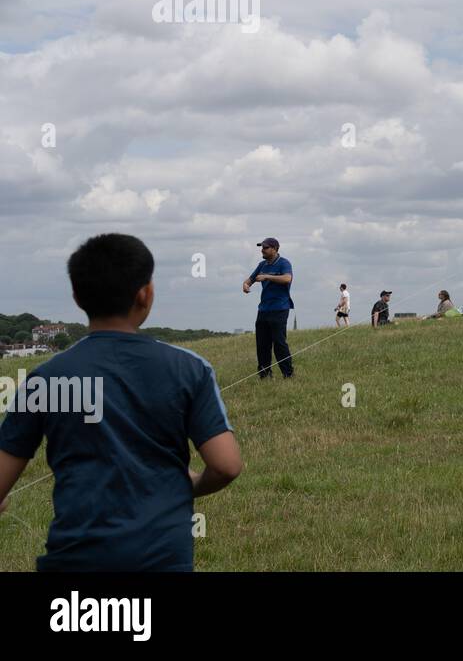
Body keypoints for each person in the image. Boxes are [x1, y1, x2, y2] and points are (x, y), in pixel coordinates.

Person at [0, 234, 242, 570]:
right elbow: (227, 465)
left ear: (76, 296)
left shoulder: (46, 378)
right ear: (146, 293)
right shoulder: (190, 369)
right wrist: (191, 484)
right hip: (163, 562)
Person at [242, 237, 294, 380]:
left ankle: (288, 374)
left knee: (279, 343)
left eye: (265, 247)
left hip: (280, 308)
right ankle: (264, 375)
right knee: (262, 344)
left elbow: (287, 279)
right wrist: (246, 285)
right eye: (262, 247)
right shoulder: (262, 264)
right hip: (263, 310)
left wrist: (267, 277)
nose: (262, 250)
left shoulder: (284, 263)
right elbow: (249, 280)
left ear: (275, 249)